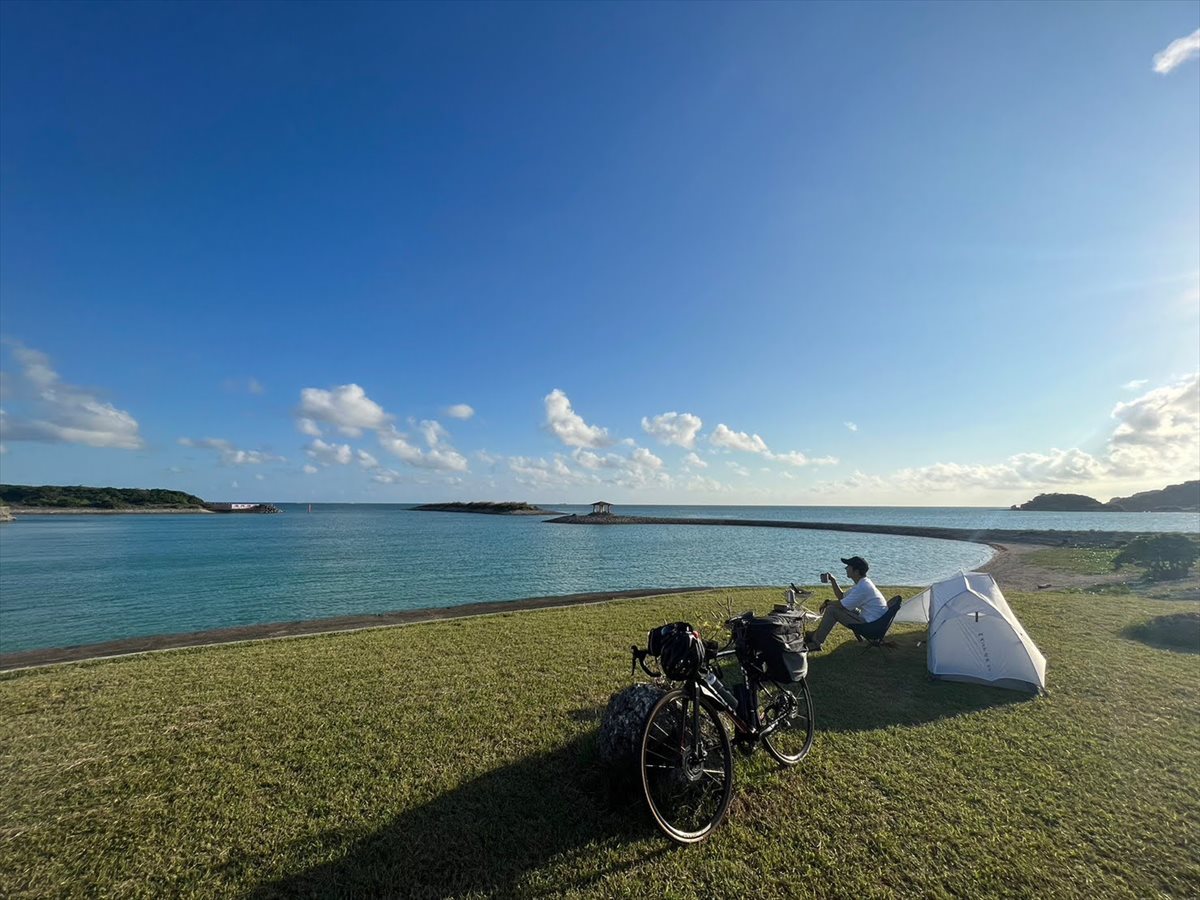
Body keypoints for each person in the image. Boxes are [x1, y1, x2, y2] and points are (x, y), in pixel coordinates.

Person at [805, 555, 888, 651]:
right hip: (875, 622)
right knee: (839, 608)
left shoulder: (863, 587)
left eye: (848, 566)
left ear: (856, 571)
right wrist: (833, 580)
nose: (846, 568)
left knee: (832, 610)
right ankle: (816, 634)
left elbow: (841, 604)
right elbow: (841, 597)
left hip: (871, 626)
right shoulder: (863, 583)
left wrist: (827, 603)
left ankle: (816, 643)